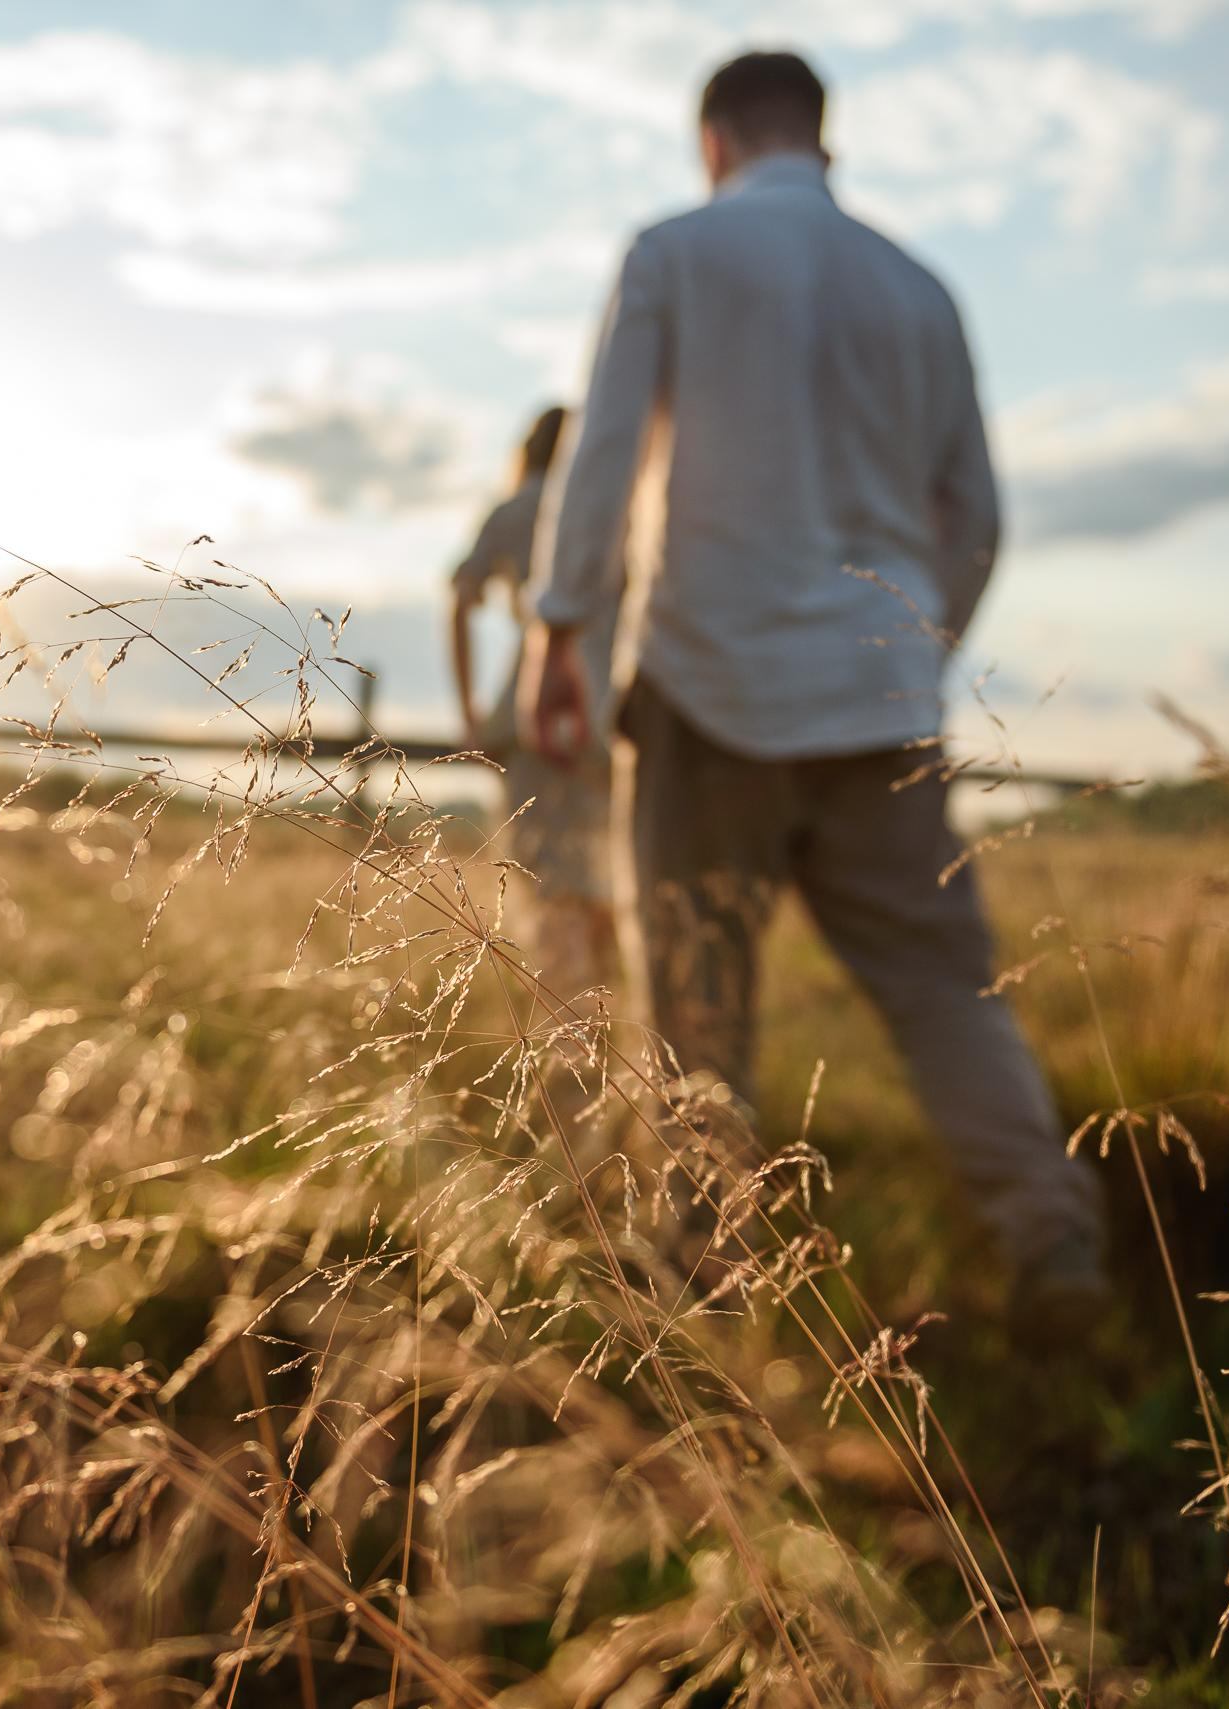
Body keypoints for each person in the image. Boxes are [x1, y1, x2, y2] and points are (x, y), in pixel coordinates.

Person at [525, 49, 1107, 1322]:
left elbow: (605, 451)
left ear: (713, 143)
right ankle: (1052, 1242)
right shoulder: (919, 289)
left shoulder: (675, 251)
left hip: (704, 691)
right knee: (946, 990)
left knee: (696, 999)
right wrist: (913, 649)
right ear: (820, 139)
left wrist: (559, 631)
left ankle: (702, 1280)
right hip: (883, 706)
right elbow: (978, 510)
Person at [448, 404, 619, 993]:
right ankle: (617, 1047)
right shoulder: (621, 506)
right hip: (620, 716)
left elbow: (460, 598)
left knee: (548, 889)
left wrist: (470, 710)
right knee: (615, 889)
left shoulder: (517, 509)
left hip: (537, 714)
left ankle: (569, 1053)